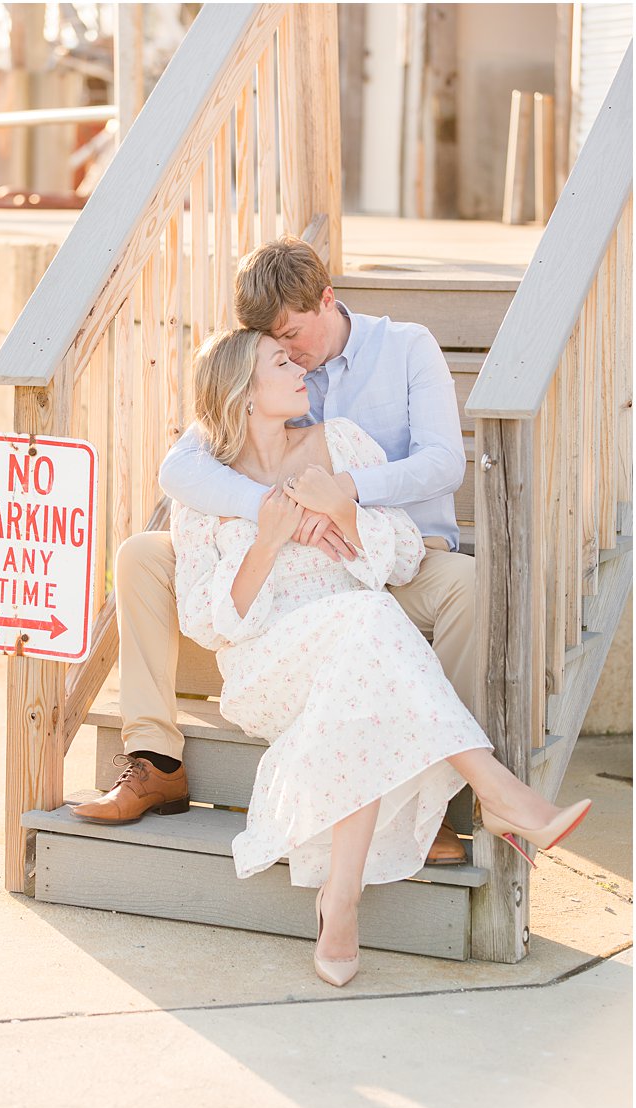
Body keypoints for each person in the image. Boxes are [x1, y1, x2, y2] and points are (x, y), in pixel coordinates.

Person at [167, 328, 590, 986]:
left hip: (355, 647)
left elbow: (405, 551)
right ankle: (498, 789)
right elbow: (202, 622)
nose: (298, 363)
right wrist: (266, 543)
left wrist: (347, 510)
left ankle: (341, 900)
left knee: (362, 654)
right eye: (281, 361)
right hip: (267, 664)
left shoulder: (340, 444)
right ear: (246, 396)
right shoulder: (207, 493)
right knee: (369, 626)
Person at [75, 236, 475, 867]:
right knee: (142, 557)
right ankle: (155, 759)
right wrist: (278, 513)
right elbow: (181, 468)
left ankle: (428, 796)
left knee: (469, 588)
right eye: (273, 344)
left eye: (293, 335)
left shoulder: (406, 347)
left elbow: (443, 464)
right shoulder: (270, 367)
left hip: (398, 555)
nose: (288, 354)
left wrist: (344, 495)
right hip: (291, 569)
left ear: (328, 299)